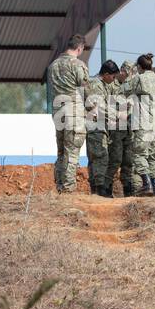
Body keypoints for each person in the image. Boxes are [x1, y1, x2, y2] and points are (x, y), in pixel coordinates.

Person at [47, 34, 88, 194]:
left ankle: (59, 186)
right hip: (73, 111)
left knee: (61, 151)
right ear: (79, 48)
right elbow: (86, 89)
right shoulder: (78, 65)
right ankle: (69, 189)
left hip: (58, 111)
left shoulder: (53, 65)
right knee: (72, 150)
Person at [122, 53, 155, 196]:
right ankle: (154, 188)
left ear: (140, 67)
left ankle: (146, 184)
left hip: (144, 122)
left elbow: (124, 90)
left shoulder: (139, 79)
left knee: (139, 154)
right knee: (154, 157)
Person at [84, 61, 117, 198]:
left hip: (99, 126)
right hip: (96, 127)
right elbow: (100, 107)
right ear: (106, 74)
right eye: (112, 77)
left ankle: (96, 190)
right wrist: (116, 115)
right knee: (100, 157)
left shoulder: (103, 85)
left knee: (96, 159)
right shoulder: (97, 85)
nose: (114, 80)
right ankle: (100, 190)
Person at [114, 61, 136, 196]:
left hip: (130, 130)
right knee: (115, 160)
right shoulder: (114, 85)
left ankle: (129, 191)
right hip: (116, 130)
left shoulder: (133, 86)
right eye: (126, 73)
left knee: (129, 162)